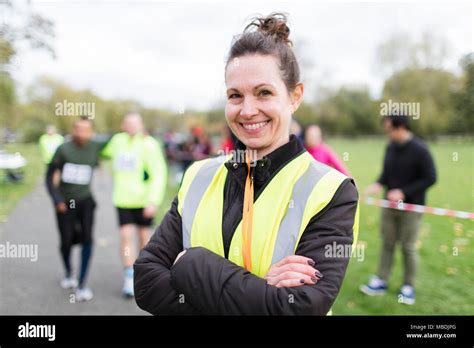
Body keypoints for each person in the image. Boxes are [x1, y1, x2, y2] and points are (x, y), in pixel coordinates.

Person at [134, 13, 359, 315]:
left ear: (294, 97)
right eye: (235, 95)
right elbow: (146, 280)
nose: (248, 110)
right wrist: (259, 295)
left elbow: (298, 309)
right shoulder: (198, 175)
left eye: (264, 92)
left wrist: (191, 264)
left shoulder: (332, 191)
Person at [360, 114, 436, 305]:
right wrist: (377, 185)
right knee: (387, 243)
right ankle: (381, 281)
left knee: (408, 247)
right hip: (389, 206)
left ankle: (408, 287)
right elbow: (386, 173)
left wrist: (404, 192)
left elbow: (430, 177)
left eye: (389, 129)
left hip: (412, 207)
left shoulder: (420, 150)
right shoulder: (390, 147)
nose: (387, 133)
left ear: (401, 127)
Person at [101, 112, 167, 298]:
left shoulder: (149, 144)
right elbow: (103, 152)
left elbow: (159, 174)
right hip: (123, 199)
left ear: (141, 125)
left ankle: (143, 272)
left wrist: (153, 201)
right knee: (125, 236)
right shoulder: (117, 141)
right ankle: (129, 276)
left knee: (144, 238)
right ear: (123, 125)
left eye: (134, 123)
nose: (131, 126)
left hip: (144, 201)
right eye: (127, 123)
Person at [46, 117, 104, 302]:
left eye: (85, 129)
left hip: (85, 202)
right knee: (66, 240)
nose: (81, 133)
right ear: (73, 129)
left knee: (87, 238)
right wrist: (57, 200)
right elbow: (50, 177)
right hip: (65, 203)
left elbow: (116, 142)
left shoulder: (95, 147)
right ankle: (69, 272)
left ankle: (82, 283)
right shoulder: (63, 149)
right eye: (78, 129)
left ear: (91, 132)